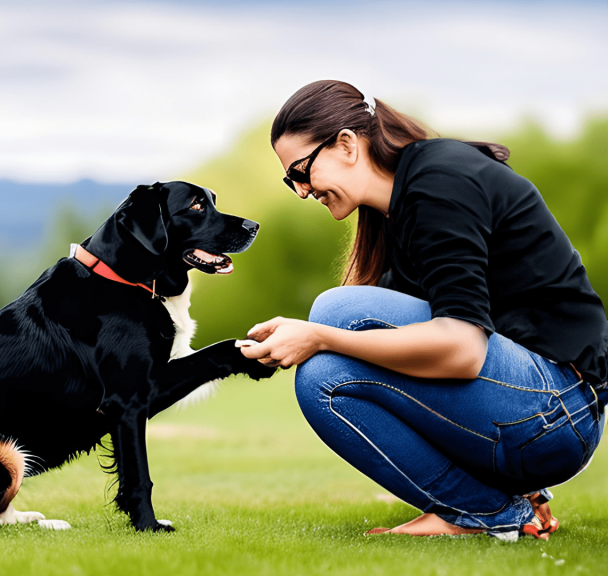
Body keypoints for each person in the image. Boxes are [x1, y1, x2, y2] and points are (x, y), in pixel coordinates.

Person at [240, 80, 607, 540]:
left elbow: (462, 351)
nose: (301, 190)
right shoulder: (397, 213)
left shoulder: (440, 182)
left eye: (301, 170)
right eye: (290, 180)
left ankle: (476, 512)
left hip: (558, 410)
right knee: (321, 379)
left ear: (348, 144)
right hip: (534, 413)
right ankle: (490, 509)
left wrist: (318, 337)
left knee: (335, 312)